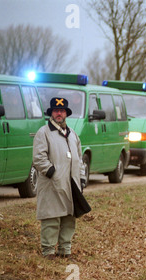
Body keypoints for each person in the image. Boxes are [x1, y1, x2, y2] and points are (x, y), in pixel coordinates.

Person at [33, 97, 87, 260]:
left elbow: (79, 158)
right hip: (52, 183)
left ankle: (65, 249)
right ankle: (48, 251)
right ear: (51, 113)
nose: (59, 113)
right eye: (56, 111)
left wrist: (81, 178)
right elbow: (38, 157)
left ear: (66, 114)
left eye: (62, 111)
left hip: (71, 183)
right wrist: (51, 172)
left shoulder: (73, 135)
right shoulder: (43, 133)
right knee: (51, 217)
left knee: (69, 217)